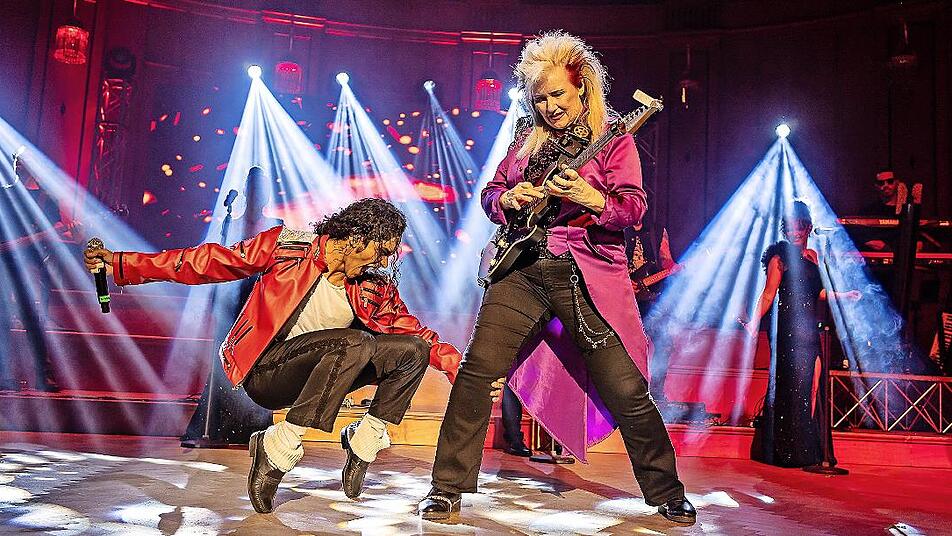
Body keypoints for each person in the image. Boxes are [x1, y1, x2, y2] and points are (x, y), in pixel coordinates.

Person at [418, 31, 695, 525]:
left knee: (625, 386)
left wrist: (592, 199)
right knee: (477, 373)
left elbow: (633, 208)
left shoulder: (614, 137)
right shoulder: (526, 138)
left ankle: (667, 491)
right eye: (539, 98)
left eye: (557, 95)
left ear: (582, 86)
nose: (548, 106)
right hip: (521, 270)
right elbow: (492, 193)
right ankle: (446, 488)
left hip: (584, 273)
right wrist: (507, 199)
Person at [84, 198, 463, 513]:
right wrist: (121, 262)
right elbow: (206, 261)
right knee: (356, 342)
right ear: (356, 237)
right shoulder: (288, 246)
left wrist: (459, 368)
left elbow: (414, 332)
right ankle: (277, 449)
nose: (381, 261)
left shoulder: (371, 285)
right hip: (267, 372)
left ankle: (364, 440)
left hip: (325, 373)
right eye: (380, 250)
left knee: (413, 351)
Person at [743, 200, 860, 468]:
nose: (794, 232)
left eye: (799, 227)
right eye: (790, 227)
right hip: (788, 328)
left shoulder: (813, 257)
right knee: (793, 386)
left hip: (809, 327)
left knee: (814, 384)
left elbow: (818, 292)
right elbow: (769, 294)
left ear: (807, 228)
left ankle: (809, 449)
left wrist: (845, 296)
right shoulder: (779, 258)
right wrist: (753, 321)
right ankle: (788, 450)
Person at [0, 163, 63, 392]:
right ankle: (4, 376)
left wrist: (67, 229)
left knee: (30, 317)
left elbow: (57, 224)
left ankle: (43, 376)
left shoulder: (45, 198)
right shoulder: (5, 193)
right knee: (3, 318)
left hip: (24, 264)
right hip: (3, 264)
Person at [625, 220, 677, 401]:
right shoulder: (617, 227)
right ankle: (627, 392)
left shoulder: (656, 230)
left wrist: (675, 268)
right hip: (622, 296)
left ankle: (656, 393)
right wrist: (623, 279)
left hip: (649, 298)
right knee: (627, 345)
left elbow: (666, 259)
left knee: (665, 343)